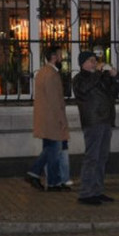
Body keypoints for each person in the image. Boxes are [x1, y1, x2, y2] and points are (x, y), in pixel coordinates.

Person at [73, 51, 119, 205]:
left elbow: (113, 93)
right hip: (93, 121)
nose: (94, 63)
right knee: (92, 158)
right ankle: (85, 193)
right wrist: (99, 74)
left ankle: (97, 190)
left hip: (106, 120)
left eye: (95, 60)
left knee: (102, 158)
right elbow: (84, 89)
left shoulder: (99, 77)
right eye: (91, 61)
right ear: (83, 64)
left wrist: (115, 77)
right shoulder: (79, 79)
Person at [28, 46, 71, 192]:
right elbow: (55, 101)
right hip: (52, 120)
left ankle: (51, 181)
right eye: (60, 54)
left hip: (45, 118)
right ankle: (37, 174)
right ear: (54, 56)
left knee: (51, 150)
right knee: (53, 150)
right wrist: (61, 120)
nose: (62, 57)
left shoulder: (42, 72)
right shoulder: (52, 74)